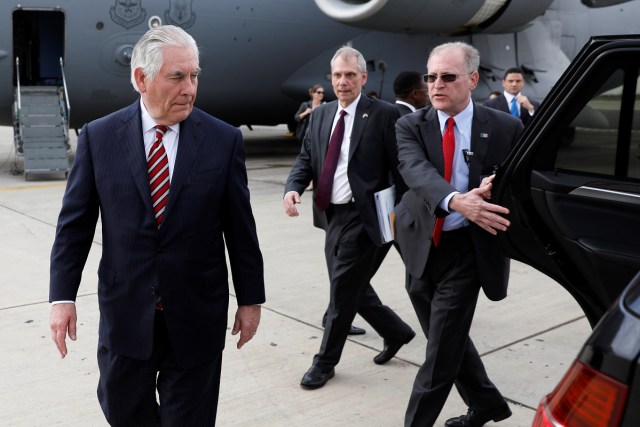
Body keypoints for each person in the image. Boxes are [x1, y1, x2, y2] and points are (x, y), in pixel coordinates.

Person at [48, 25, 265, 426]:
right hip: (126, 313)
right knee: (124, 412)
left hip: (197, 314)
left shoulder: (223, 140)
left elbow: (240, 229)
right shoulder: (100, 138)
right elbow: (74, 227)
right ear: (141, 79)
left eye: (195, 76)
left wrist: (251, 299)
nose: (190, 88)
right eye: (177, 76)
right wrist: (62, 297)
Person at [394, 42, 523, 426]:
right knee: (447, 339)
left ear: (472, 79)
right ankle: (488, 405)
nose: (436, 85)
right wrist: (455, 200)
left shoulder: (505, 127)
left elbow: (521, 180)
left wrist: (496, 185)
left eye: (447, 77)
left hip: (471, 247)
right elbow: (414, 170)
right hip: (422, 244)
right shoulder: (409, 125)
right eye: (430, 77)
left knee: (438, 356)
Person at [283, 45, 415, 390]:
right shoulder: (322, 114)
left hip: (367, 216)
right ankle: (396, 332)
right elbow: (306, 159)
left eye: (350, 75)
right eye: (338, 75)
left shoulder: (384, 114)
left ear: (363, 78)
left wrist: (399, 213)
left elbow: (402, 169)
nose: (343, 82)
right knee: (350, 286)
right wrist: (292, 188)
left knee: (341, 293)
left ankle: (324, 363)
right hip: (331, 215)